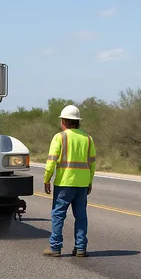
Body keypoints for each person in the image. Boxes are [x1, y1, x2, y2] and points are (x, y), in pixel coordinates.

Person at [43, 105, 96, 257]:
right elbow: (92, 163)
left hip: (64, 183)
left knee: (58, 215)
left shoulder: (60, 137)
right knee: (81, 216)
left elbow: (52, 160)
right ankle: (80, 248)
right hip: (82, 184)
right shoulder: (88, 138)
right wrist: (89, 182)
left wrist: (47, 179)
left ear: (64, 121)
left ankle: (55, 247)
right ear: (77, 122)